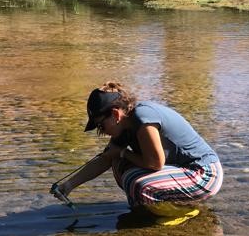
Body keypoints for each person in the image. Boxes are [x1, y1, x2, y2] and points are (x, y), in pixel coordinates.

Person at [51, 82, 223, 216]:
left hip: (205, 173)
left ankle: (175, 212)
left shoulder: (143, 118)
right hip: (183, 172)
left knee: (138, 184)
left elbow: (155, 163)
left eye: (101, 125)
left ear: (115, 115)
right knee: (119, 165)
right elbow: (104, 159)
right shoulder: (124, 125)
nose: (101, 132)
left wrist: (122, 152)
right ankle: (159, 209)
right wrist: (69, 185)